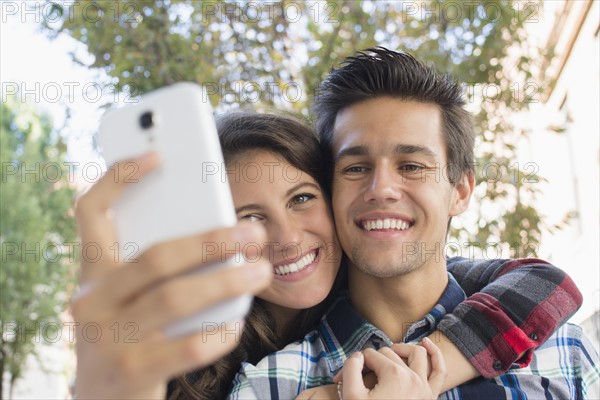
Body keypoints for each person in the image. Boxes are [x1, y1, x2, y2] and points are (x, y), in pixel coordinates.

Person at [74, 106, 583, 398]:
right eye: (248, 218)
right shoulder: (240, 373)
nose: (287, 238)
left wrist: (430, 368)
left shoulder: (547, 339)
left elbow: (546, 282)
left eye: (301, 199)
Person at [227, 48, 599, 399]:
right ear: (330, 189)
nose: (382, 189)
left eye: (411, 166)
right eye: (356, 168)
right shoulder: (268, 386)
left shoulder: (564, 353)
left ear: (461, 190)